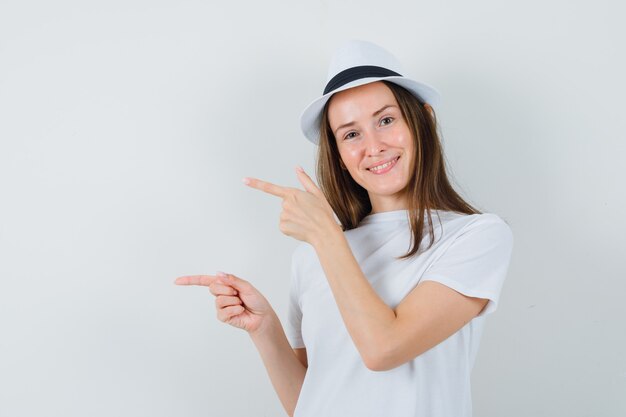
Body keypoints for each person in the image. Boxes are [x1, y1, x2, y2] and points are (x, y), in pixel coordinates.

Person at [175, 40, 514, 417]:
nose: (374, 146)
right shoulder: (311, 256)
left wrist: (325, 235)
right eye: (351, 134)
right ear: (338, 155)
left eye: (386, 120)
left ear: (423, 120)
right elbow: (311, 402)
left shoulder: (476, 237)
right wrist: (265, 328)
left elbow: (385, 348)